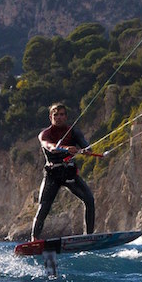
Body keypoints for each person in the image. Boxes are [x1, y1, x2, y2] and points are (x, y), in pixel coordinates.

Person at [31, 103, 95, 241]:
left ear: (66, 117)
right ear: (50, 117)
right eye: (55, 115)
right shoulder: (45, 134)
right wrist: (66, 149)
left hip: (68, 173)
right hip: (52, 174)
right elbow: (50, 147)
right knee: (44, 207)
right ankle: (34, 239)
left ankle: (88, 237)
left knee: (89, 200)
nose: (58, 118)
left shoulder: (74, 132)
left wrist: (86, 151)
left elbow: (86, 146)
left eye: (61, 115)